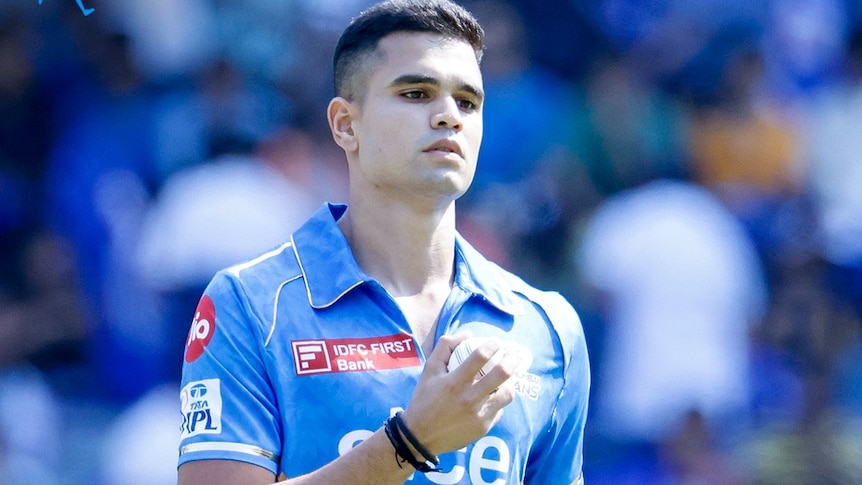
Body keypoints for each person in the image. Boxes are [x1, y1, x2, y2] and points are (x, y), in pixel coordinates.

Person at [176, 1, 590, 484]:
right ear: (345, 124)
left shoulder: (549, 328)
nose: (448, 117)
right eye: (417, 93)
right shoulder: (249, 304)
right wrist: (411, 442)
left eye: (468, 102)